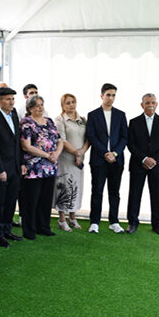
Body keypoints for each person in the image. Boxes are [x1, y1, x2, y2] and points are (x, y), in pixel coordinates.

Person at [0, 87, 27, 247]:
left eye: (13, 99)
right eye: (8, 99)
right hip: (2, 169)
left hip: (15, 167)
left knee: (11, 201)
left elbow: (17, 143)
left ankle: (7, 230)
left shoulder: (14, 115)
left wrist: (21, 163)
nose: (11, 102)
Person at [85, 83, 128, 234]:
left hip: (116, 160)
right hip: (99, 159)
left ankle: (114, 222)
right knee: (97, 191)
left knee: (114, 192)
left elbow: (124, 137)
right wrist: (105, 153)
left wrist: (114, 153)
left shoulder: (121, 115)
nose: (111, 98)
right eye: (108, 95)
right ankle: (94, 222)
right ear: (102, 95)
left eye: (113, 95)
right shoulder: (93, 115)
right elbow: (91, 136)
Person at [126, 93, 159, 235]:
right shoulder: (134, 122)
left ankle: (157, 224)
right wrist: (144, 158)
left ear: (156, 104)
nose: (150, 105)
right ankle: (132, 223)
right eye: (147, 102)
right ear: (142, 105)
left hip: (158, 165)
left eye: (153, 102)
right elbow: (131, 144)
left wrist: (154, 160)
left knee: (157, 197)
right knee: (134, 195)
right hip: (138, 164)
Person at [20, 95, 63, 239]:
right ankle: (29, 230)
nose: (40, 107)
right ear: (30, 108)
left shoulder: (49, 121)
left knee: (45, 199)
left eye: (41, 104)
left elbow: (60, 140)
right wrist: (47, 155)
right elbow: (26, 146)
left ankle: (43, 227)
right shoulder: (26, 123)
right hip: (34, 168)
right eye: (36, 105)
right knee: (31, 200)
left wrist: (56, 153)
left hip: (50, 167)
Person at [53, 93, 89, 231]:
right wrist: (75, 152)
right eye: (67, 103)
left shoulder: (83, 120)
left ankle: (73, 217)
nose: (71, 105)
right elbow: (62, 140)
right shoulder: (59, 120)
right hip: (65, 160)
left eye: (73, 102)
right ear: (62, 105)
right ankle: (62, 219)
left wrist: (81, 152)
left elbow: (88, 139)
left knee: (76, 187)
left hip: (79, 161)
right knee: (64, 187)